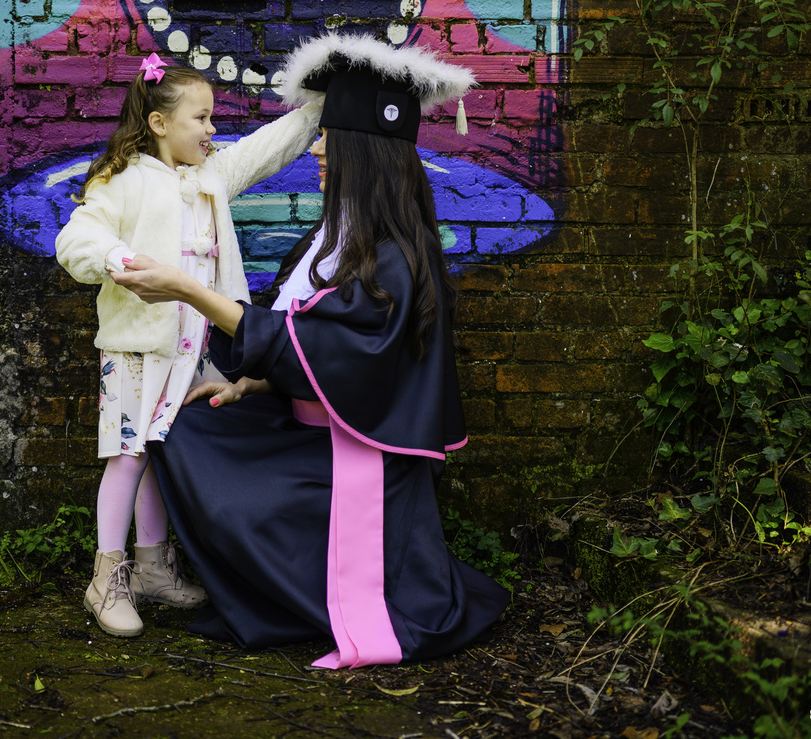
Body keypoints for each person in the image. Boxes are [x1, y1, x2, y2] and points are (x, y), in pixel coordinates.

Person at [110, 34, 510, 667]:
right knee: (181, 422)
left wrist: (189, 289)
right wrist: (254, 384)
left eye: (331, 139)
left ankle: (294, 595)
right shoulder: (335, 230)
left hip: (359, 451)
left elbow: (343, 354)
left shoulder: (400, 255)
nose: (318, 149)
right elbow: (317, 346)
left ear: (365, 154)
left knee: (231, 488)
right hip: (313, 419)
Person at [54, 53, 323, 637]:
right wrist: (119, 259)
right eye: (200, 119)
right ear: (158, 123)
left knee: (161, 453)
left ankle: (153, 566)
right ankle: (106, 576)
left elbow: (267, 147)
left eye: (212, 120)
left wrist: (320, 108)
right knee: (127, 456)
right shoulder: (121, 179)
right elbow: (77, 237)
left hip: (191, 350)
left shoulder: (209, 177)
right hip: (137, 349)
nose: (211, 130)